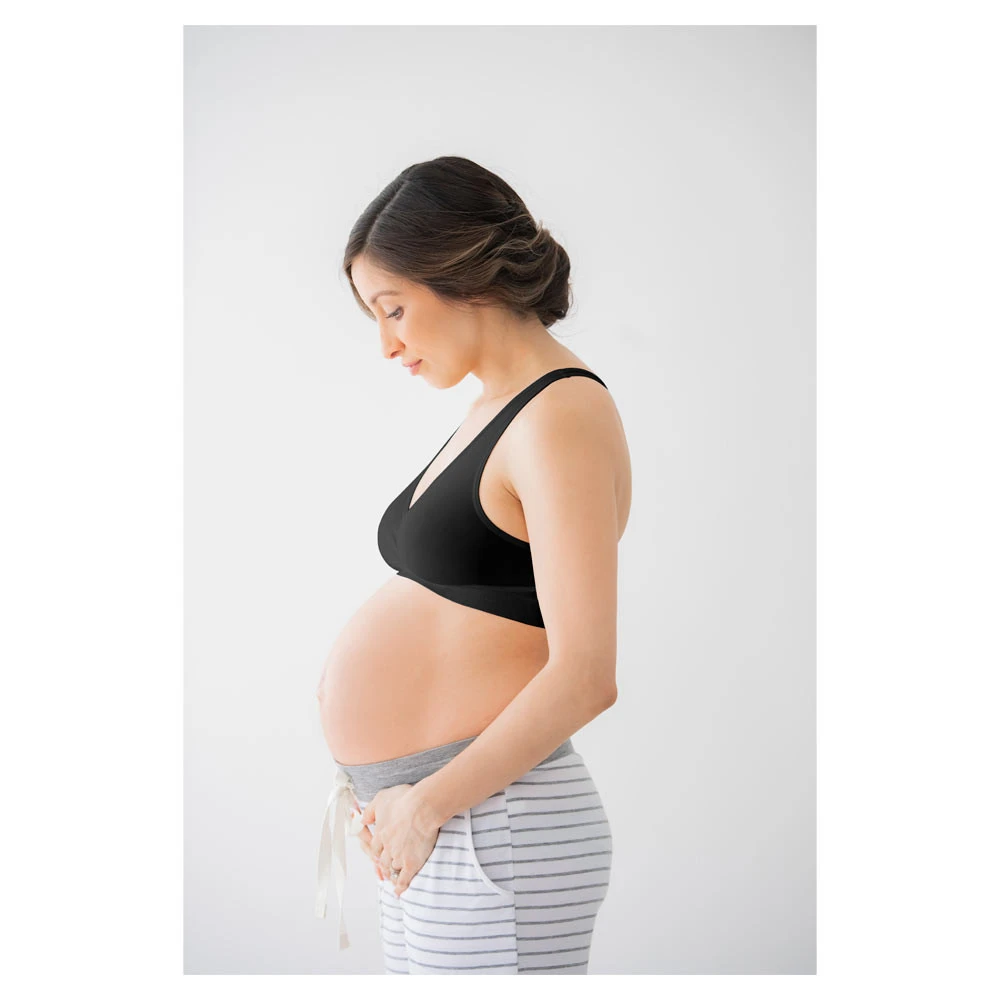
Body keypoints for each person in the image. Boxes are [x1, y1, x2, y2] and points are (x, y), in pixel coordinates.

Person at [314, 155, 631, 974]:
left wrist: (426, 805)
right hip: (445, 818)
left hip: (493, 821)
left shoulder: (560, 413)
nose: (387, 344)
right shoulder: (495, 409)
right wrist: (410, 807)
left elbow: (586, 674)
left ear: (461, 273)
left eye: (394, 309)